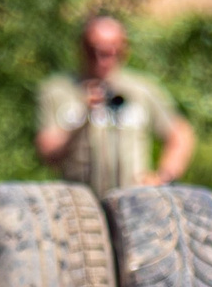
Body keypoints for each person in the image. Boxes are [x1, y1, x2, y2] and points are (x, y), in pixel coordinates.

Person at [35, 15, 196, 197]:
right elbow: (48, 152)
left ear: (123, 50)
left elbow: (181, 134)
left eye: (109, 52)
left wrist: (163, 177)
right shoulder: (59, 90)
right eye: (93, 51)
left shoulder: (141, 89)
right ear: (81, 48)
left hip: (134, 200)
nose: (101, 60)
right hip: (79, 203)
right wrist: (83, 116)